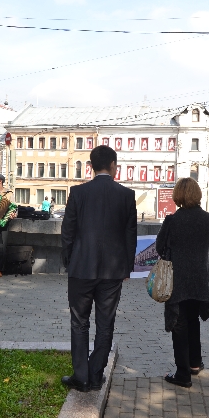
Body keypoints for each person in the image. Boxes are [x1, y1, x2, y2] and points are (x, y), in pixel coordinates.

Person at [60, 145, 137, 392]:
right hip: (112, 271)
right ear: (113, 165)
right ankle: (95, 374)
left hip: (81, 268)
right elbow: (130, 235)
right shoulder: (126, 195)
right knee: (106, 322)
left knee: (79, 321)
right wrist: (127, 267)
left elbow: (68, 232)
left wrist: (69, 261)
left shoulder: (78, 193)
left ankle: (81, 377)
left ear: (91, 166)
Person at [156, 177, 209, 388]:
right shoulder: (208, 219)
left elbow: (160, 248)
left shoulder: (172, 221)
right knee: (193, 320)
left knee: (179, 324)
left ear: (178, 195)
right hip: (199, 279)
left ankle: (182, 374)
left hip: (178, 280)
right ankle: (195, 363)